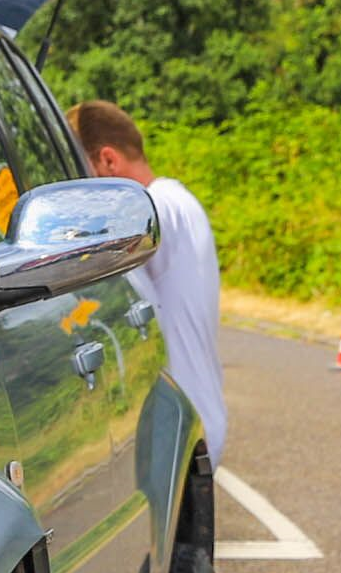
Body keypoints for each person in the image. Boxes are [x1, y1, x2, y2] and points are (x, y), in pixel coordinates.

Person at [69, 100, 228, 466]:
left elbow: (118, 233)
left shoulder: (159, 205)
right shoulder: (180, 200)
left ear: (108, 160)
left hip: (178, 424)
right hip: (192, 414)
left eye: (83, 176)